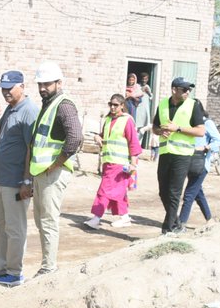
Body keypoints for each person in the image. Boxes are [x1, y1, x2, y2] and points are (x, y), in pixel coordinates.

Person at [0, 70, 38, 286]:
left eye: (9, 88)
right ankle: (0, 269)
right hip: (3, 179)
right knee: (1, 225)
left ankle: (14, 272)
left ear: (22, 86)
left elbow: (31, 148)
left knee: (15, 228)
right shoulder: (11, 109)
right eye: (3, 88)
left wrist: (27, 181)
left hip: (17, 182)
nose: (5, 92)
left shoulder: (29, 111)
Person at [21, 61, 82, 277]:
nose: (42, 88)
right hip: (42, 173)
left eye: (47, 84)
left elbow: (75, 138)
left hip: (53, 173)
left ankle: (49, 267)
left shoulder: (64, 105)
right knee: (42, 220)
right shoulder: (48, 105)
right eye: (40, 84)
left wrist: (56, 163)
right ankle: (47, 264)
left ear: (59, 83)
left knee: (48, 220)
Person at [153, 76, 206, 235]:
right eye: (184, 89)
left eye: (189, 89)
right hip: (165, 153)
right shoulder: (163, 104)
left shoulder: (193, 105)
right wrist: (160, 131)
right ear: (174, 90)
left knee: (174, 193)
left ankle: (168, 229)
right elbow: (155, 127)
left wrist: (178, 128)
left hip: (183, 155)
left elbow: (200, 131)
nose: (187, 92)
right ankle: (176, 223)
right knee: (163, 192)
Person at [85, 93, 141, 229]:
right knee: (118, 192)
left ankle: (96, 218)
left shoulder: (127, 120)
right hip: (108, 162)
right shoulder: (108, 120)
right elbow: (104, 136)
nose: (112, 107)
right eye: (110, 104)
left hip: (120, 164)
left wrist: (133, 164)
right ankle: (125, 218)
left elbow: (133, 143)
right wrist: (98, 137)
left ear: (122, 106)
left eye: (115, 105)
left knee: (104, 190)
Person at [178, 112, 220, 228]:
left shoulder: (207, 123)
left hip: (201, 164)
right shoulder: (189, 123)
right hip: (190, 162)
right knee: (197, 192)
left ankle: (181, 223)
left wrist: (206, 147)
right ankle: (209, 219)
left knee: (189, 194)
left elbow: (219, 141)